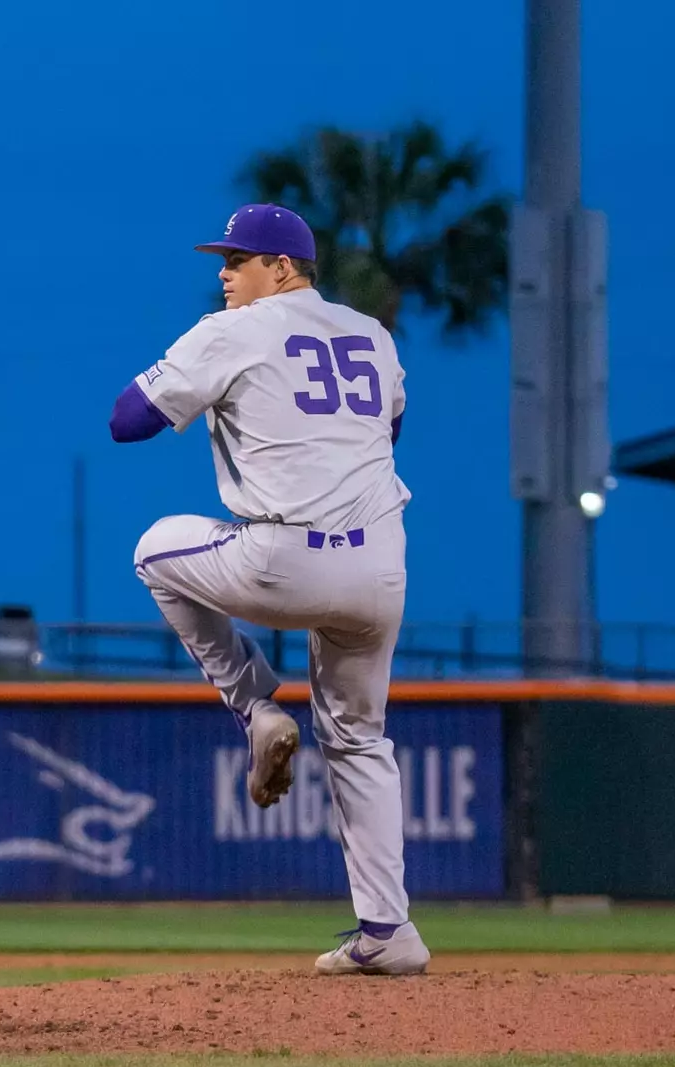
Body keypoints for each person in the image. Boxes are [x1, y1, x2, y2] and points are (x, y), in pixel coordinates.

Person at [107, 203, 427, 976]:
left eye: (238, 259)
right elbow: (388, 432)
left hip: (282, 558)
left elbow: (127, 421)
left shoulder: (232, 330)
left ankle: (254, 709)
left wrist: (212, 382)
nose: (223, 273)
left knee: (155, 550)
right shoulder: (373, 336)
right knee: (359, 738)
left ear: (282, 269)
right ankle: (390, 933)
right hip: (381, 566)